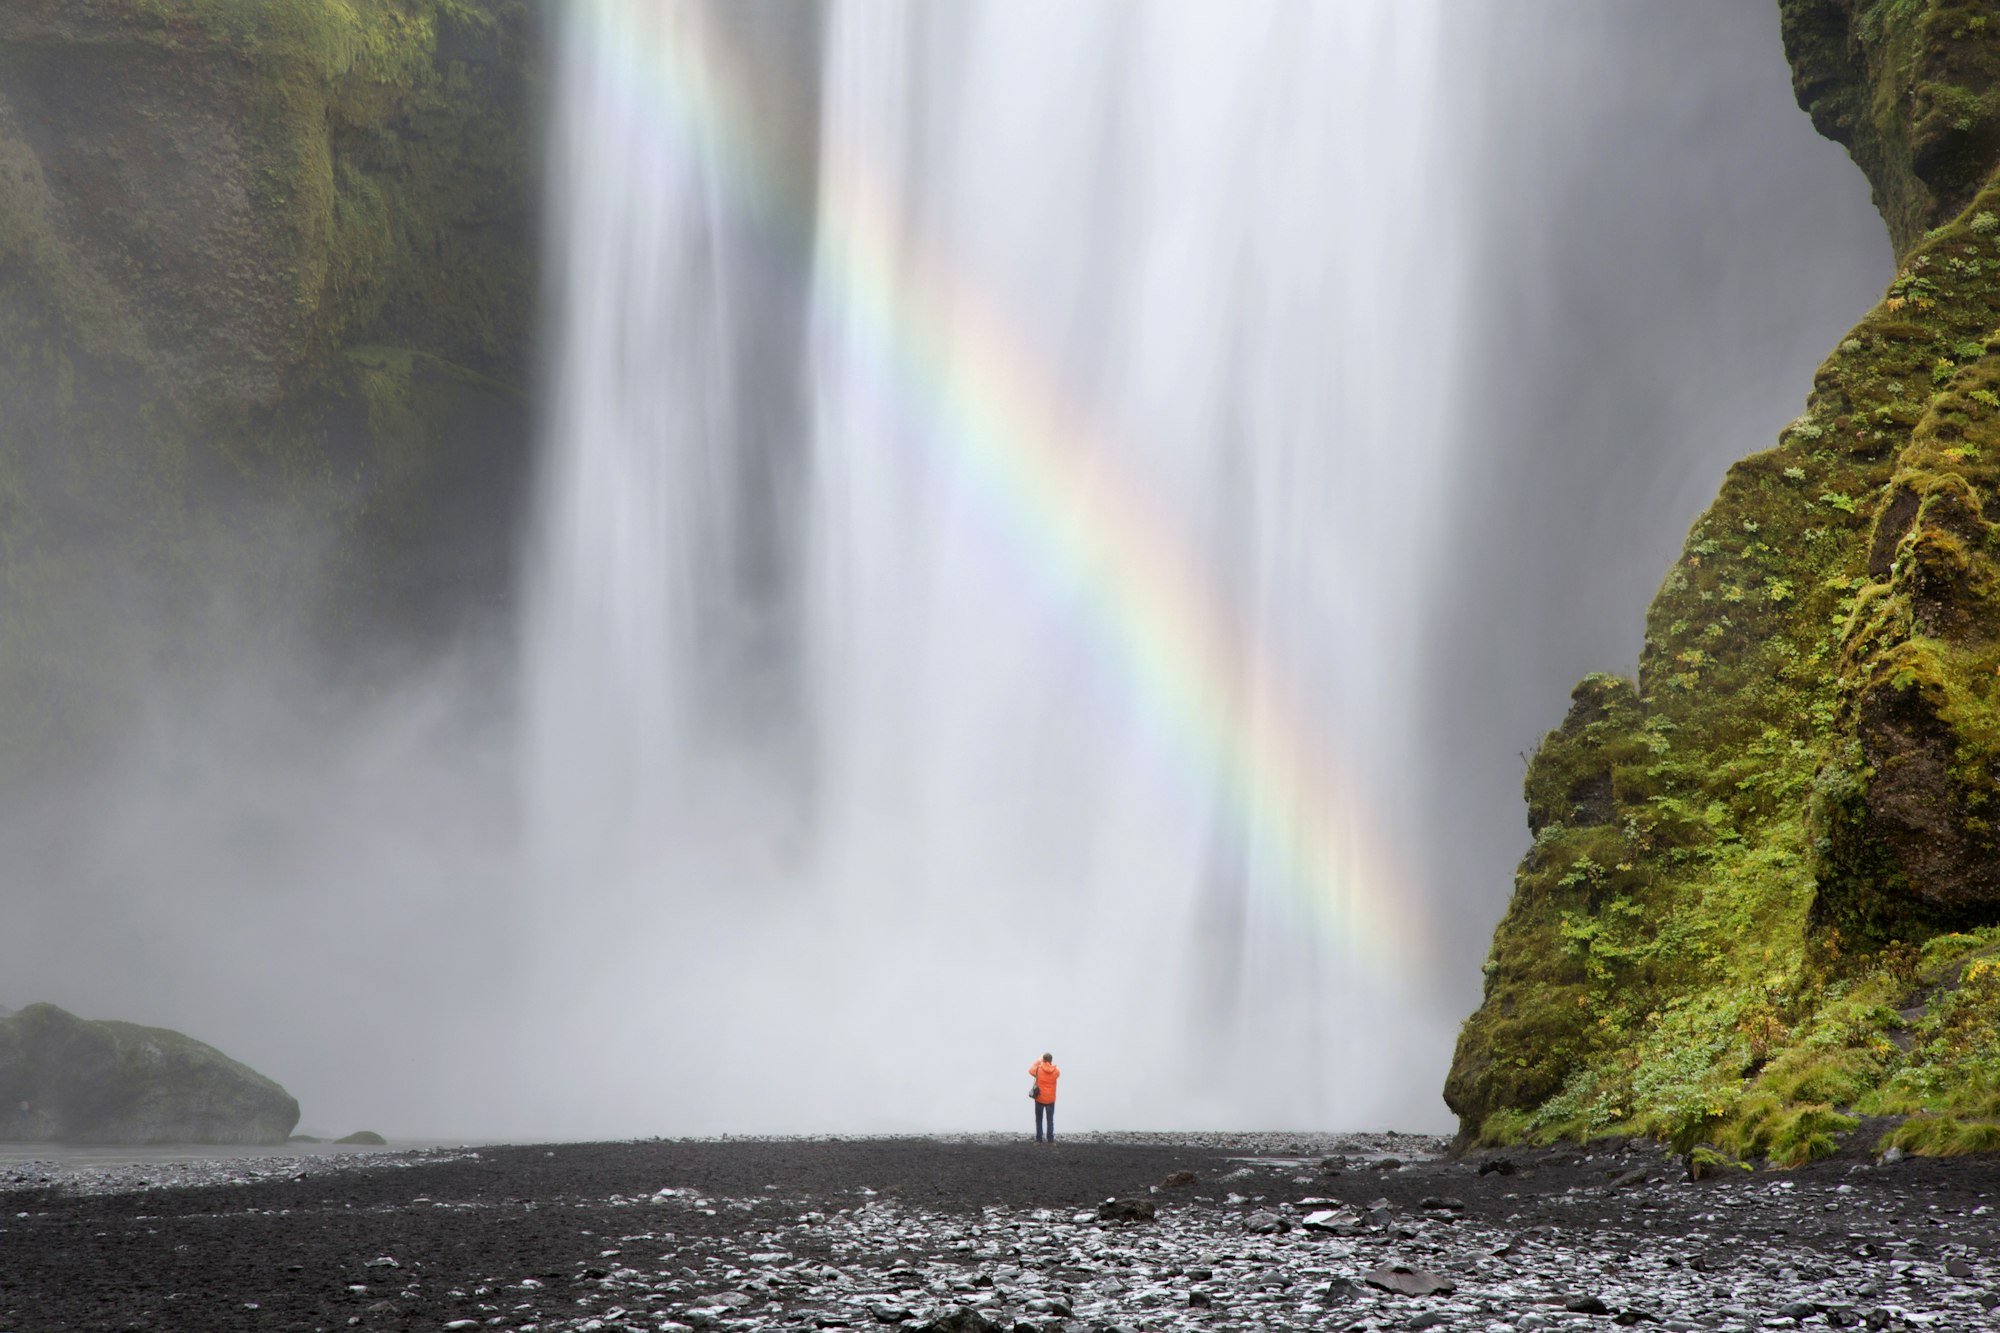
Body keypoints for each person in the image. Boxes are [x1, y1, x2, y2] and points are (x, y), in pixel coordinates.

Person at [1029, 1052, 1060, 1142]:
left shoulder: (1038, 1069)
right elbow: (1058, 1074)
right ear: (1051, 1061)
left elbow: (1030, 1071)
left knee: (1039, 1119)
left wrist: (1039, 1060)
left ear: (1043, 1060)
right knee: (1050, 1120)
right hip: (1050, 1099)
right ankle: (1050, 1139)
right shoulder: (1056, 1071)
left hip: (1039, 1098)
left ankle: (1039, 1139)